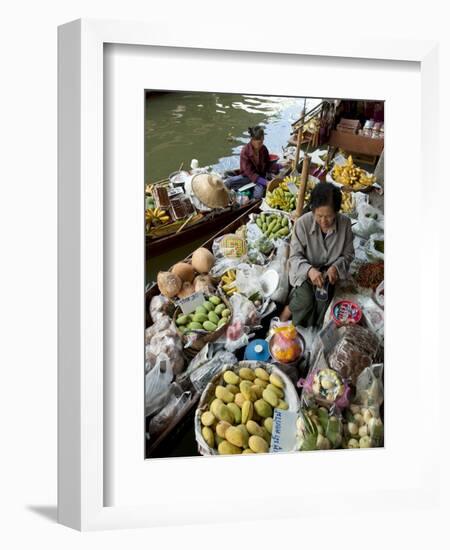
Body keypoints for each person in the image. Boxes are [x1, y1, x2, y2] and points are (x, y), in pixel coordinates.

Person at [281, 182, 355, 328]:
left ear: (337, 212)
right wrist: (309, 270)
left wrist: (336, 267)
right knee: (305, 300)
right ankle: (287, 312)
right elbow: (294, 257)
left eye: (329, 216)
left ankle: (312, 329)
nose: (323, 221)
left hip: (328, 273)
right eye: (319, 216)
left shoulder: (345, 224)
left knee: (323, 303)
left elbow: (349, 254)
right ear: (313, 210)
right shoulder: (302, 223)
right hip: (304, 270)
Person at [224, 126, 281, 199]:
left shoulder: (263, 149)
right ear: (253, 140)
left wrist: (280, 166)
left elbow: (268, 165)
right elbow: (250, 173)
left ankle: (250, 196)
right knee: (228, 183)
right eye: (260, 142)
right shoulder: (245, 151)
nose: (262, 143)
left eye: (263, 140)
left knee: (258, 195)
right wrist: (265, 182)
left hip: (260, 176)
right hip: (247, 176)